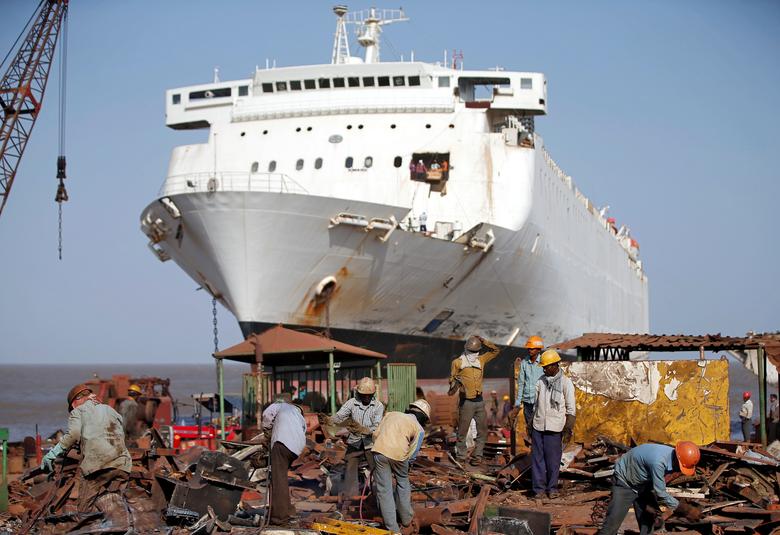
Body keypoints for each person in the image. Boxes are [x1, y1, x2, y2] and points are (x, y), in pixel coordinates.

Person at [41, 384, 132, 527]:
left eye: (72, 407)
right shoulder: (110, 410)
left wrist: (53, 453)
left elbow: (74, 434)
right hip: (123, 464)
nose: (73, 410)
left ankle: (87, 528)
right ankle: (120, 526)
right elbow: (120, 431)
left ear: (75, 402)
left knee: (84, 511)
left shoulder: (78, 412)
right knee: (116, 502)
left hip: (97, 466)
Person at [596, 442, 702, 535]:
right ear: (678, 459)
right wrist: (686, 509)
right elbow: (660, 492)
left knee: (650, 518)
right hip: (625, 482)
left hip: (643, 483)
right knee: (611, 525)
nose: (679, 470)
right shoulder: (658, 462)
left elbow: (660, 482)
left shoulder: (674, 455)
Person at [372, 400, 430, 534]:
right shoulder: (419, 428)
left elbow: (375, 434)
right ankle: (406, 519)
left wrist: (381, 450)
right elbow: (413, 451)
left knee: (384, 491)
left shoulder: (391, 414)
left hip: (379, 451)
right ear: (424, 418)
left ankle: (393, 530)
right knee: (403, 482)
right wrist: (407, 463)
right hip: (399, 455)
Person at [448, 335, 501, 465]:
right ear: (466, 349)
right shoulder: (457, 362)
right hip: (466, 402)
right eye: (470, 351)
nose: (472, 354)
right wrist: (455, 384)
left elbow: (496, 351)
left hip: (479, 401)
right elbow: (452, 380)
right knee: (462, 431)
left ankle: (477, 456)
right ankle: (461, 456)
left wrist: (484, 341)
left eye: (475, 351)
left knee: (482, 431)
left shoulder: (481, 360)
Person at [530, 349, 575, 498]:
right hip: (538, 426)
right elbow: (536, 405)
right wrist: (530, 423)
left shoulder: (566, 383)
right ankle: (539, 490)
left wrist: (568, 428)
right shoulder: (540, 382)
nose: (544, 369)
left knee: (553, 461)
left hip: (555, 428)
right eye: (543, 366)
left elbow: (571, 408)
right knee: (537, 460)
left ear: (556, 365)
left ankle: (552, 489)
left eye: (547, 366)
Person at [330, 377, 384, 496]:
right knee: (350, 468)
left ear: (373, 394)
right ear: (358, 393)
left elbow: (377, 426)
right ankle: (351, 496)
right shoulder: (352, 402)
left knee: (376, 469)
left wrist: (364, 430)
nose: (366, 397)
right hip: (354, 442)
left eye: (368, 395)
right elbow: (340, 415)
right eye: (363, 395)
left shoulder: (378, 406)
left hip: (370, 443)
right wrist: (330, 420)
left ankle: (380, 495)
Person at [262, 396, 307, 525]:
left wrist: (266, 430)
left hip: (282, 444)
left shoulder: (280, 405)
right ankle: (287, 510)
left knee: (278, 481)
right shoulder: (299, 415)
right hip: (296, 449)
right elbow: (303, 431)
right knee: (282, 479)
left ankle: (280, 518)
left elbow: (267, 414)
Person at [513, 336, 545, 435]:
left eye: (532, 348)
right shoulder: (524, 363)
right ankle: (535, 449)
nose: (530, 350)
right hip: (527, 403)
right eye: (529, 348)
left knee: (541, 428)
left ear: (539, 349)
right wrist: (518, 403)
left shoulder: (544, 362)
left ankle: (540, 449)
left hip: (540, 401)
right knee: (530, 430)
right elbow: (521, 383)